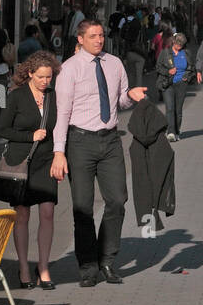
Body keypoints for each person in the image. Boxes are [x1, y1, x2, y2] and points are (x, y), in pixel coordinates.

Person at [51, 20, 147, 287]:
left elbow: (120, 102)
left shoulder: (114, 64)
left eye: (101, 35)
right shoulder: (69, 69)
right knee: (82, 207)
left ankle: (107, 259)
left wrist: (131, 95)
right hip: (80, 141)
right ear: (80, 39)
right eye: (92, 36)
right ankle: (88, 266)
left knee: (117, 200)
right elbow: (62, 114)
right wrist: (59, 152)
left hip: (110, 140)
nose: (99, 40)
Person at [0, 50, 61, 289]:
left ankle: (43, 267)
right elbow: (3, 129)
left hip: (46, 162)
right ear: (30, 74)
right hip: (22, 160)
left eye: (49, 77)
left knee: (47, 212)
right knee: (22, 214)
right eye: (42, 77)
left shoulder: (55, 96)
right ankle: (24, 266)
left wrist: (61, 155)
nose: (46, 82)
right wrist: (29, 136)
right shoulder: (17, 96)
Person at [156, 32, 191, 140]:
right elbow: (158, 67)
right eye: (177, 44)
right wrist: (168, 71)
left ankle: (176, 131)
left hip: (181, 84)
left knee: (178, 110)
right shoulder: (165, 53)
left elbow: (191, 68)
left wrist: (187, 76)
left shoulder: (186, 53)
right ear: (173, 42)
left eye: (181, 45)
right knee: (170, 108)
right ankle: (170, 132)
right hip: (168, 83)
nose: (179, 47)